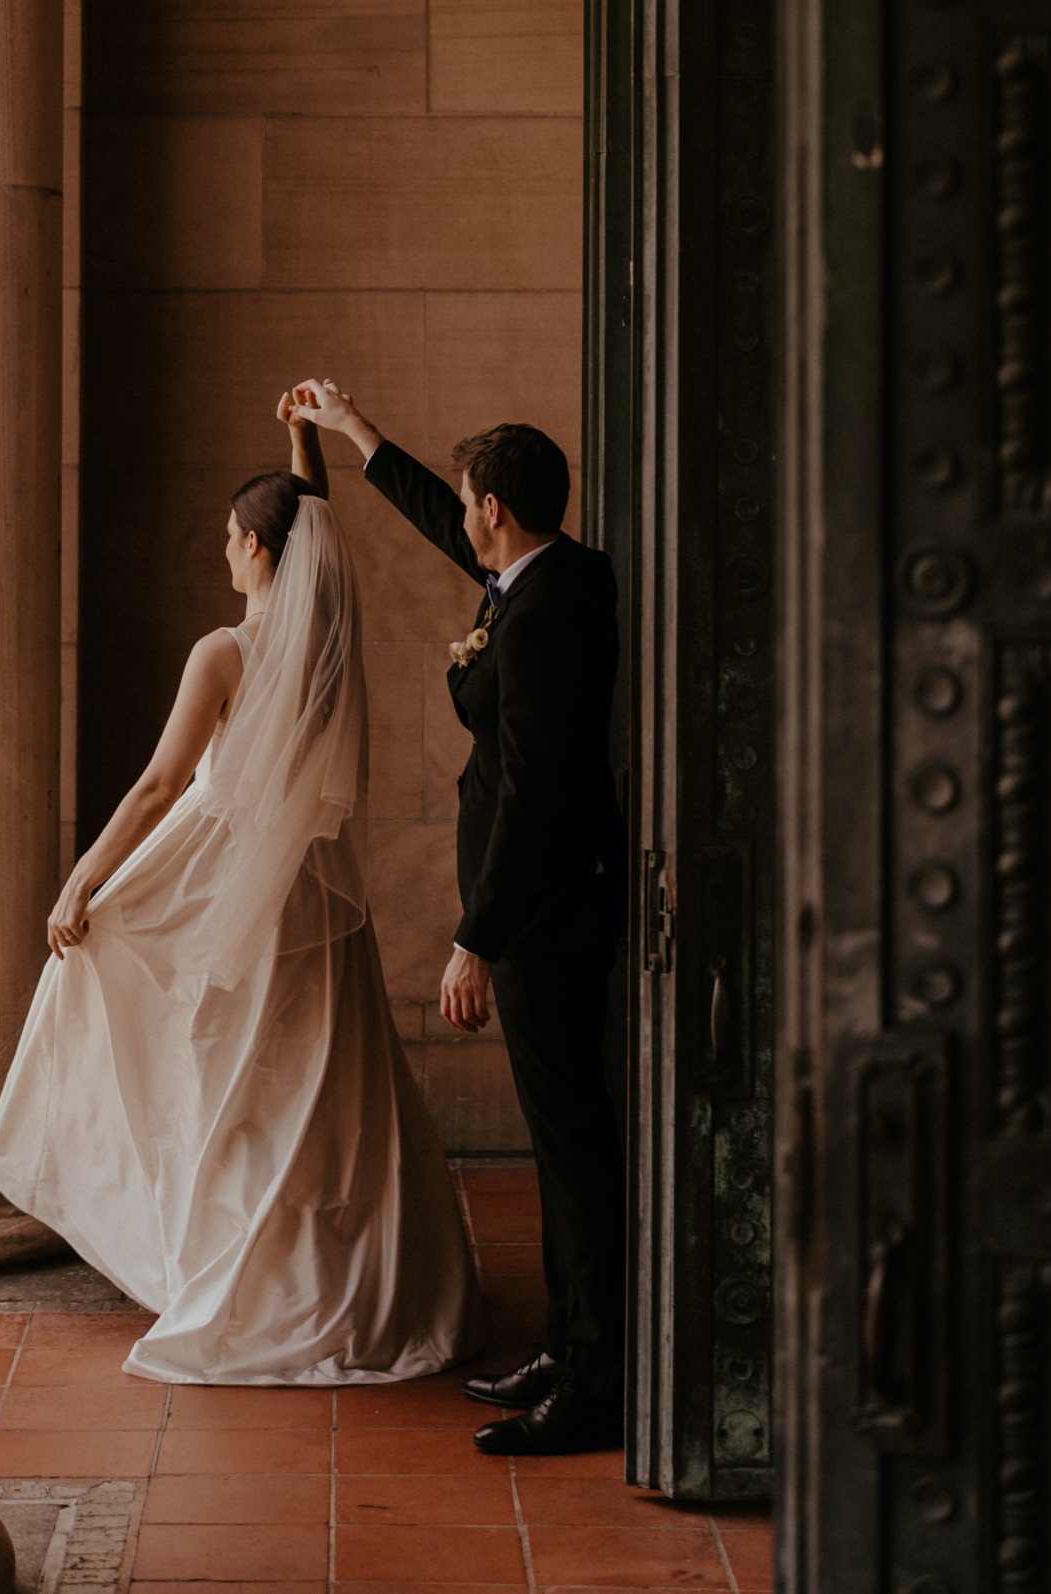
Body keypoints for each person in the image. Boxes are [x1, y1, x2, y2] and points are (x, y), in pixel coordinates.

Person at [0, 395, 477, 1385]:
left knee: (238, 1085)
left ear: (260, 551)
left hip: (226, 889)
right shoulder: (324, 646)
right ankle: (330, 1279)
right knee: (315, 1089)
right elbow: (315, 525)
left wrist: (88, 874)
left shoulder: (227, 652)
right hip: (311, 897)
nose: (223, 551)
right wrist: (303, 448)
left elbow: (163, 783)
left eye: (230, 538)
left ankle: (248, 1281)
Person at [287, 380, 627, 1455]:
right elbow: (442, 520)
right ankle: (569, 1348)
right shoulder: (549, 573)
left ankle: (598, 1380)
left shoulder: (542, 620)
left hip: (543, 916)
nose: (464, 516)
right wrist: (354, 431)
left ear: (500, 512)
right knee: (559, 1140)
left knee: (572, 1150)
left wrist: (475, 937)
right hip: (539, 906)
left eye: (473, 501)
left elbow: (533, 791)